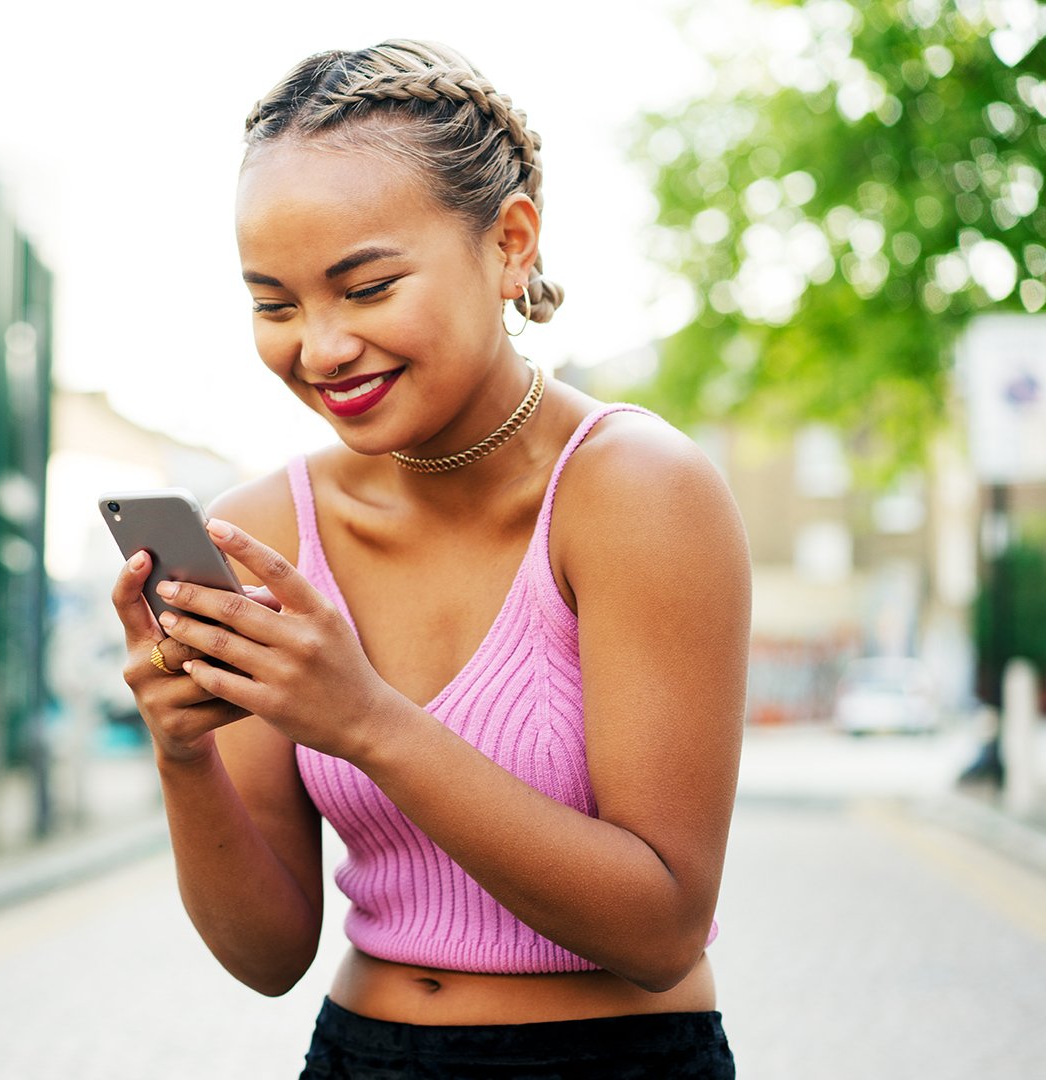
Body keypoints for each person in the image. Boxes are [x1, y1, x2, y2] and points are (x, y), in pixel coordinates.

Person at [109, 40, 748, 1079]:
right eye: (275, 304)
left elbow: (661, 926)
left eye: (365, 288)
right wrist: (182, 756)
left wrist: (363, 721)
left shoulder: (636, 491)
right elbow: (268, 956)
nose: (318, 350)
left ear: (510, 243)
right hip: (361, 1054)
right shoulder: (263, 529)